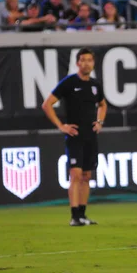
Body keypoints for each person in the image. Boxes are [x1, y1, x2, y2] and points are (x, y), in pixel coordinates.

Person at [42, 48, 107, 227]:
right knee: (76, 174)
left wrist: (99, 121)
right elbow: (47, 104)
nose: (86, 63)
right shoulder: (69, 83)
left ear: (93, 63)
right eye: (83, 60)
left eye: (89, 60)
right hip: (75, 135)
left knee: (86, 175)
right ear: (78, 63)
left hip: (90, 136)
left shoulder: (95, 85)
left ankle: (83, 214)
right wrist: (61, 126)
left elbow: (102, 105)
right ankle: (74, 216)